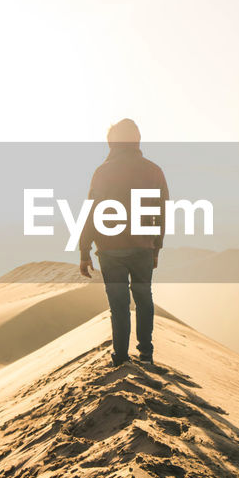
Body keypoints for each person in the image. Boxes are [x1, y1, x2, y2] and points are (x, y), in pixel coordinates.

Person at [79, 119, 169, 366]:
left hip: (109, 248)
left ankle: (120, 357)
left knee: (119, 305)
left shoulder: (103, 171)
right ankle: (146, 355)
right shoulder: (154, 170)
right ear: (137, 139)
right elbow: (162, 213)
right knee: (143, 299)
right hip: (142, 246)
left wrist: (84, 251)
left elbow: (91, 211)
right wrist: (156, 247)